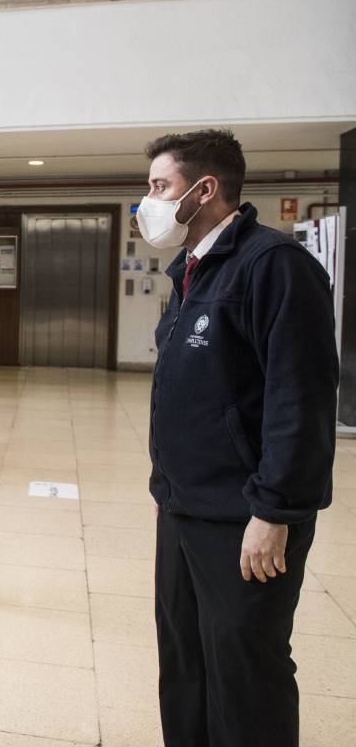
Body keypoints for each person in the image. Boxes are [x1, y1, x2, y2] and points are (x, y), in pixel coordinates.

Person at [140, 129, 338, 747]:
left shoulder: (273, 266)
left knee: (244, 666)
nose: (147, 201)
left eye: (159, 186)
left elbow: (299, 399)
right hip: (181, 508)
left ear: (206, 190)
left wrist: (275, 509)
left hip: (244, 516)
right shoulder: (191, 272)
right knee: (185, 658)